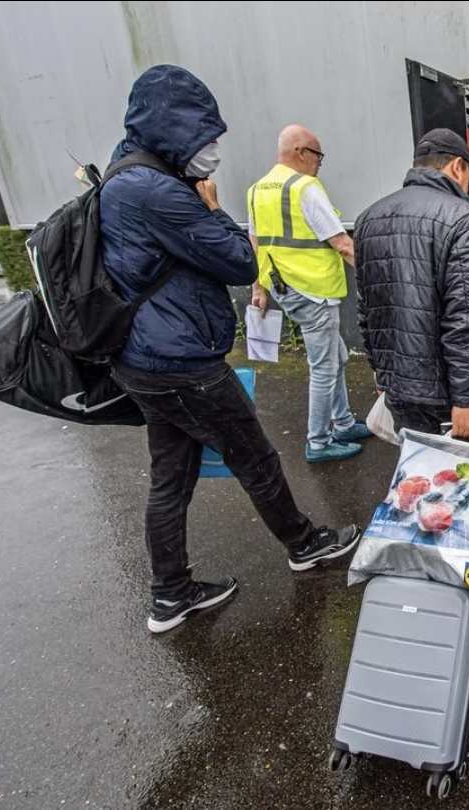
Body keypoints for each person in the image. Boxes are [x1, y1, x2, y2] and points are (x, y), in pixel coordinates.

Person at [100, 65, 361, 634]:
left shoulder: (125, 178)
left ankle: (170, 595)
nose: (214, 149)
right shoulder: (156, 191)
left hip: (146, 357)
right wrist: (210, 207)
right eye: (206, 136)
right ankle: (304, 543)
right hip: (181, 361)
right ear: (175, 128)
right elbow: (240, 260)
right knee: (255, 456)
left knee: (170, 477)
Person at [353, 128, 469, 561]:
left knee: (423, 471)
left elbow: (368, 309)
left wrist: (383, 374)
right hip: (455, 389)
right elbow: (468, 318)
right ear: (457, 166)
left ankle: (434, 549)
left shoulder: (369, 219)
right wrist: (466, 398)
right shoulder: (465, 218)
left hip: (402, 384)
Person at [247, 124, 372, 463]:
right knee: (324, 367)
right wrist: (381, 279)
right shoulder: (305, 188)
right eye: (318, 155)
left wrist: (258, 287)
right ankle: (318, 442)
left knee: (337, 356)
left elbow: (255, 243)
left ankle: (343, 423)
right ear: (301, 152)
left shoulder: (257, 190)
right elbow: (343, 244)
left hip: (286, 288)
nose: (319, 163)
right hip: (315, 290)